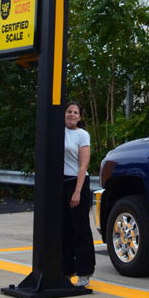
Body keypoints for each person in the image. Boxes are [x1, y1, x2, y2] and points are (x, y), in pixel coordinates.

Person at [63, 99, 95, 287]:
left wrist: (77, 192)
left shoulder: (82, 135)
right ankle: (66, 270)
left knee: (80, 229)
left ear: (79, 117)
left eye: (75, 113)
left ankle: (84, 272)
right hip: (61, 183)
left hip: (78, 183)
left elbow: (83, 165)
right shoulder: (57, 132)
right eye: (69, 112)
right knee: (63, 229)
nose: (72, 115)